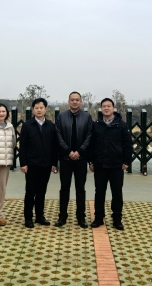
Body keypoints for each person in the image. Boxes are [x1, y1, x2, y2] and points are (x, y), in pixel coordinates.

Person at [89, 98, 133, 231]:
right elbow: (91, 145)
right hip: (100, 165)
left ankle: (117, 219)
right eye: (104, 106)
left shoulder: (121, 125)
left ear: (113, 108)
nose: (106, 108)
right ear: (101, 108)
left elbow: (128, 144)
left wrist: (126, 161)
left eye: (109, 106)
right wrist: (91, 161)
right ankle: (98, 218)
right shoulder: (96, 125)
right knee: (99, 192)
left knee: (117, 193)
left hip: (116, 165)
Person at [55, 91, 93, 228]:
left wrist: (79, 152)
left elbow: (89, 136)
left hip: (81, 159)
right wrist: (68, 151)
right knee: (64, 188)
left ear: (80, 101)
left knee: (80, 189)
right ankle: (62, 216)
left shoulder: (87, 117)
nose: (75, 102)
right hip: (65, 158)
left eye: (77, 100)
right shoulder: (61, 117)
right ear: (68, 101)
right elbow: (58, 135)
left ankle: (81, 217)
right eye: (72, 99)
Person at [19, 98, 58, 228]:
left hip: (46, 165)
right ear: (33, 110)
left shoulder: (51, 126)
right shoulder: (27, 125)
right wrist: (23, 163)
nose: (39, 110)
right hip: (31, 164)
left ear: (45, 109)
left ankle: (40, 216)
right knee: (30, 192)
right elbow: (22, 146)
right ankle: (28, 218)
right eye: (36, 108)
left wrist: (54, 163)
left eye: (41, 108)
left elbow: (54, 146)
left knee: (42, 192)